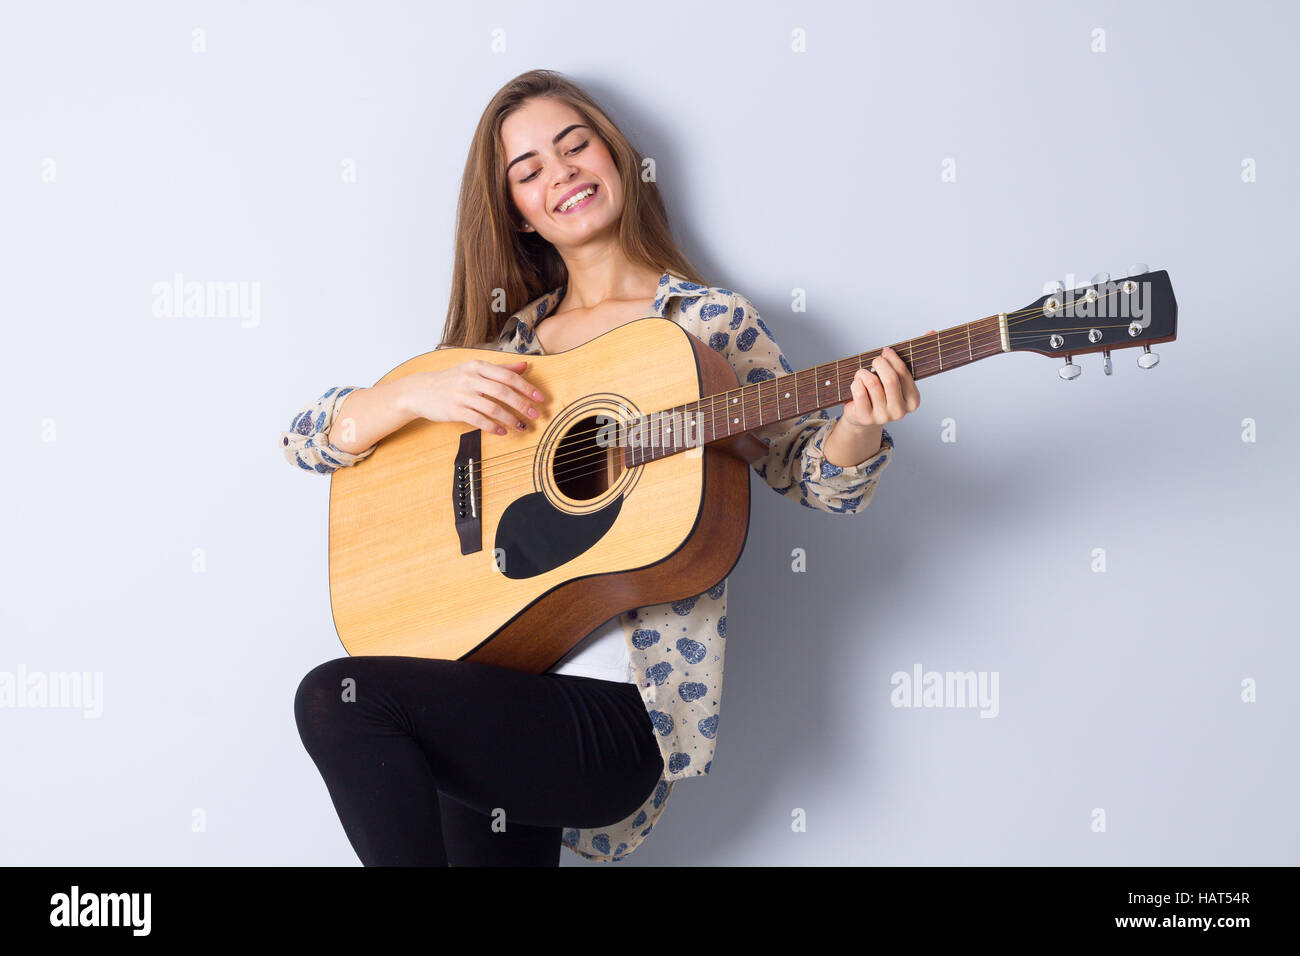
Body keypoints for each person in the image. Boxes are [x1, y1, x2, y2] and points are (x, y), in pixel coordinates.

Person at [284, 69, 922, 866]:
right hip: (491, 679)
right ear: (516, 213)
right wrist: (412, 391)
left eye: (574, 144)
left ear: (616, 156)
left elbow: (812, 476)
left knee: (339, 700)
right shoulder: (504, 353)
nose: (562, 174)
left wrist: (861, 423)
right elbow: (307, 439)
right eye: (529, 170)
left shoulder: (708, 324)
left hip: (615, 716)